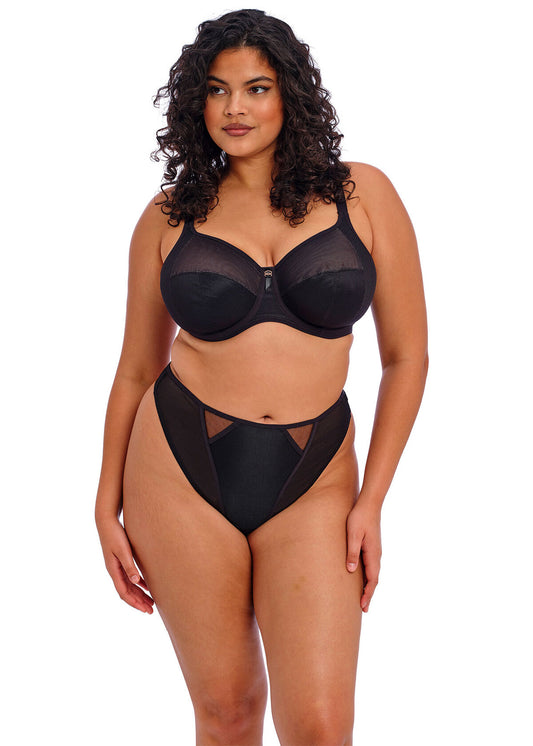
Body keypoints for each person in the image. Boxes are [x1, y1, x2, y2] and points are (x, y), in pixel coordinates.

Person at [95, 8, 428, 745]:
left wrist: (372, 501)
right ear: (196, 102)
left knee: (320, 727)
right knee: (226, 714)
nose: (234, 109)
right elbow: (137, 368)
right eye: (217, 91)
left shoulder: (362, 193)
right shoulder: (169, 215)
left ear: (291, 95)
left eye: (256, 88)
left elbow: (406, 357)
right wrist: (103, 506)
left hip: (316, 474)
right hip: (178, 466)